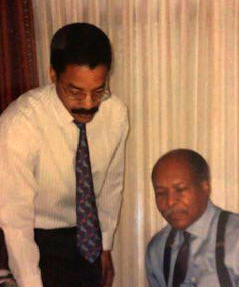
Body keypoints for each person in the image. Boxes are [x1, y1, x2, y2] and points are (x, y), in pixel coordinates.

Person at [0, 22, 129, 287]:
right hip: (33, 236)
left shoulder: (115, 114)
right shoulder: (19, 125)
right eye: (76, 92)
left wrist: (104, 245)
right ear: (53, 75)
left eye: (98, 90)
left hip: (85, 236)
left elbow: (110, 185)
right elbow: (15, 219)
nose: (89, 104)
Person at [146, 148, 239, 287]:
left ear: (205, 187)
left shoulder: (235, 239)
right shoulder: (157, 249)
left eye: (180, 189)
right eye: (161, 193)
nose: (170, 202)